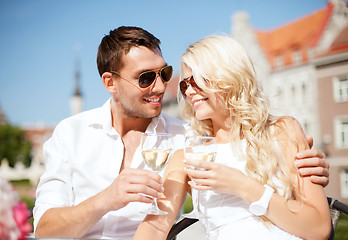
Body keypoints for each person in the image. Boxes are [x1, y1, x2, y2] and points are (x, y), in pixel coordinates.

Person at [33, 26, 329, 239]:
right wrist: (108, 198)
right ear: (110, 83)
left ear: (230, 78)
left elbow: (317, 225)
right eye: (147, 78)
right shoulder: (71, 134)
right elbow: (156, 224)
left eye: (166, 75)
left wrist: (297, 163)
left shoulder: (193, 139)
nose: (166, 88)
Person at [134, 35, 331, 240]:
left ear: (229, 77)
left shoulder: (283, 131)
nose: (190, 91)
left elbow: (319, 228)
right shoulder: (188, 156)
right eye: (185, 86)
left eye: (197, 81)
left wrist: (241, 185)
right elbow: (155, 228)